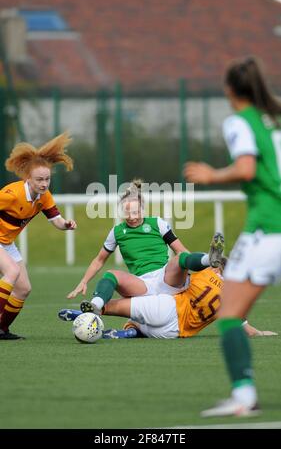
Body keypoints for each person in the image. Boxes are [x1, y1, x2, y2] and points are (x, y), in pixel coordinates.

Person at [185, 56, 281, 417]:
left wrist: (211, 176)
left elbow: (246, 168)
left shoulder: (240, 122)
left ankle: (243, 397)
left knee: (229, 315)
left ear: (229, 90)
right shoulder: (277, 118)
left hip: (268, 229)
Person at [67, 179, 224, 314]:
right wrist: (84, 281)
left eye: (136, 212)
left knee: (180, 258)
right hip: (141, 284)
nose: (132, 217)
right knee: (111, 274)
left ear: (143, 209)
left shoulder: (157, 223)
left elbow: (181, 250)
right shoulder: (117, 232)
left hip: (167, 278)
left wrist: (206, 268)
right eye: (128, 213)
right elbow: (99, 260)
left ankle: (209, 259)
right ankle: (95, 307)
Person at [59, 260, 277, 340]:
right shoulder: (233, 296)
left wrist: (204, 260)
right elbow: (241, 323)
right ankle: (131, 331)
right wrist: (260, 333)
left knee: (112, 307)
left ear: (219, 268)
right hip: (172, 333)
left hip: (166, 309)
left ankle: (89, 314)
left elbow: (182, 264)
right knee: (140, 325)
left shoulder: (206, 274)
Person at [0, 132, 77, 340]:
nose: (44, 184)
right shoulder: (11, 195)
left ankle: (2, 330)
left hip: (6, 243)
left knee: (24, 289)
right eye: (39, 180)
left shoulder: (44, 197)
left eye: (47, 179)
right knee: (12, 271)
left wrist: (67, 225)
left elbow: (56, 220)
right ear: (28, 178)